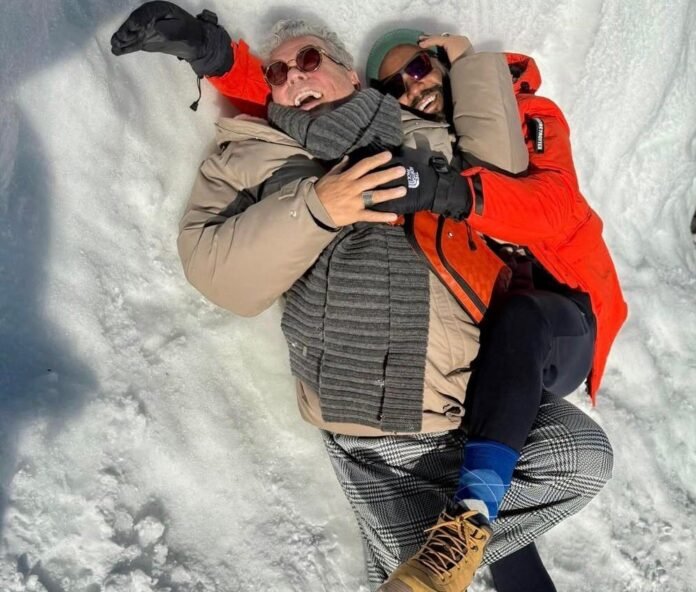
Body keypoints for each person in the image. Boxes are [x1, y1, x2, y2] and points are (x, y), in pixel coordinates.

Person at [111, 5, 619, 591]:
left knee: (578, 460)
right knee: (462, 546)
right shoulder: (250, 151)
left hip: (478, 385)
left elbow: (512, 179)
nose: (295, 76)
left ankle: (460, 527)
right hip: (374, 435)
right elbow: (216, 273)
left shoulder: (429, 137)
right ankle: (463, 523)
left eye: (309, 60)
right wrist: (317, 208)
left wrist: (463, 89)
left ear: (351, 75)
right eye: (278, 73)